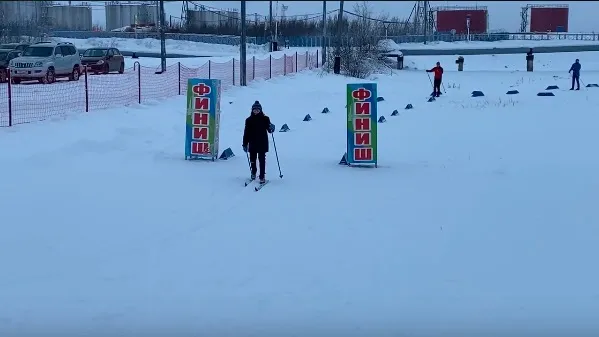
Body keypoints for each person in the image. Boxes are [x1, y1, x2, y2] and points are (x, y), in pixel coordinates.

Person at [243, 101, 275, 184]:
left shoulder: (265, 118)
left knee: (262, 160)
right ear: (252, 110)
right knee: (252, 159)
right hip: (252, 142)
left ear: (260, 110)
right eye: (254, 109)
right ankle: (253, 172)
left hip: (262, 142)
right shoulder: (249, 120)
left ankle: (262, 176)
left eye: (257, 110)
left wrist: (272, 127)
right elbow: (246, 132)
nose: (256, 111)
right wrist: (245, 144)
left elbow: (269, 130)